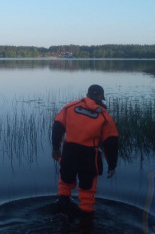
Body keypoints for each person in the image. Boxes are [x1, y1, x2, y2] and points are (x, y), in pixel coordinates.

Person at [51, 84, 119, 214]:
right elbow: (110, 141)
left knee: (65, 183)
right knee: (87, 191)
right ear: (100, 97)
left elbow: (57, 127)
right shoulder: (104, 115)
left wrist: (55, 148)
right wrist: (112, 165)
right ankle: (85, 223)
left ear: (87, 95)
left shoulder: (69, 107)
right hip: (89, 156)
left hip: (69, 153)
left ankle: (62, 210)